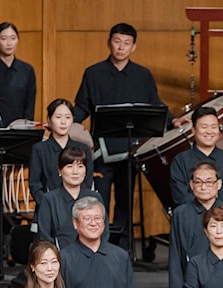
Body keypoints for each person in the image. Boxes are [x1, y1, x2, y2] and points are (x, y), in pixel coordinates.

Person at [73, 23, 175, 245]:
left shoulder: (142, 75)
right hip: (101, 149)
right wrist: (63, 121)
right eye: (117, 41)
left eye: (126, 43)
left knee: (125, 200)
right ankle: (97, 243)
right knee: (97, 199)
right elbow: (81, 106)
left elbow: (154, 105)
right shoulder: (93, 73)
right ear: (109, 43)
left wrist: (174, 120)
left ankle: (123, 247)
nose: (121, 47)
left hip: (131, 149)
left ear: (133, 47)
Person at [167, 161, 223, 288]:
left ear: (218, 184)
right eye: (198, 182)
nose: (203, 187)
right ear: (191, 185)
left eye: (209, 182)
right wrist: (176, 285)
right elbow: (175, 250)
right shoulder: (181, 213)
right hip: (192, 280)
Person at [169, 106, 223, 209]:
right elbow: (181, 197)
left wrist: (221, 215)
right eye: (204, 127)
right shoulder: (180, 161)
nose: (209, 131)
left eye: (214, 127)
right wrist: (206, 214)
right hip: (192, 221)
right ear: (193, 130)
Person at [28, 98, 94, 206]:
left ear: (73, 120)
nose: (63, 122)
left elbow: (87, 181)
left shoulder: (83, 149)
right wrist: (48, 204)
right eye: (58, 117)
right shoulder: (39, 149)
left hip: (77, 208)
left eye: (68, 117)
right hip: (47, 208)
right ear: (49, 120)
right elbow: (35, 184)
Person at [33, 146, 102, 248]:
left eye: (80, 166)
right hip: (60, 258)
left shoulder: (95, 198)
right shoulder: (49, 199)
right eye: (69, 166)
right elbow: (44, 237)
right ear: (60, 171)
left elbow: (103, 233)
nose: (75, 172)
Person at [0, 22, 36, 129]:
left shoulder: (27, 70)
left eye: (13, 38)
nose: (9, 43)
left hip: (22, 129)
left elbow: (30, 104)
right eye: (4, 38)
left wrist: (24, 126)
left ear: (18, 40)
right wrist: (0, 128)